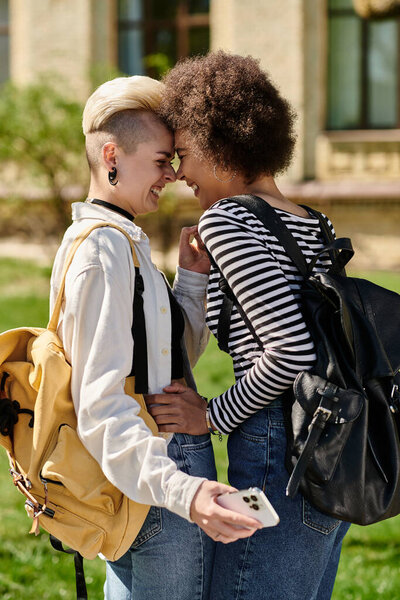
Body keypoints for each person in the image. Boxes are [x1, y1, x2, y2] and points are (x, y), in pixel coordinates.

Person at [146, 51, 351, 599]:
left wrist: (209, 415)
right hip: (334, 449)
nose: (181, 172)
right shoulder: (313, 220)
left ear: (222, 143)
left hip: (277, 450)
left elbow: (289, 350)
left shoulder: (229, 217)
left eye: (185, 154)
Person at [49, 75, 261, 600]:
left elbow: (167, 364)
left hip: (155, 474)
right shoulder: (103, 253)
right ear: (112, 155)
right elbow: (101, 408)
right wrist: (185, 493)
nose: (171, 175)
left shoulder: (123, 241)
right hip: (156, 479)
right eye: (162, 160)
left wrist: (190, 279)